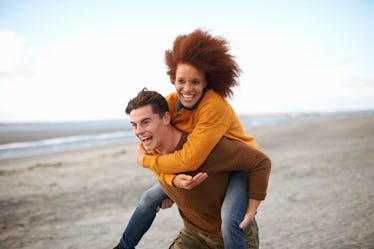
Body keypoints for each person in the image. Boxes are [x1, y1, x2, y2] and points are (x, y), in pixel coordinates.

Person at [114, 29, 262, 249]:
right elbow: (151, 143)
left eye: (195, 82)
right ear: (173, 78)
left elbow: (188, 159)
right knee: (148, 198)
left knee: (229, 220)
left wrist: (151, 165)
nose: (187, 88)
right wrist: (171, 181)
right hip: (202, 166)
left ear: (206, 83)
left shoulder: (214, 106)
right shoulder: (170, 104)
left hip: (235, 165)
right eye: (181, 81)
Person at [125, 89, 271, 248]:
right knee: (149, 197)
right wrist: (172, 186)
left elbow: (261, 162)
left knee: (230, 221)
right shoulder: (149, 152)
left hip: (234, 237)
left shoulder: (207, 148)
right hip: (194, 233)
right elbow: (158, 169)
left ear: (166, 118)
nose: (139, 131)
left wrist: (252, 208)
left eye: (146, 122)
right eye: (134, 125)